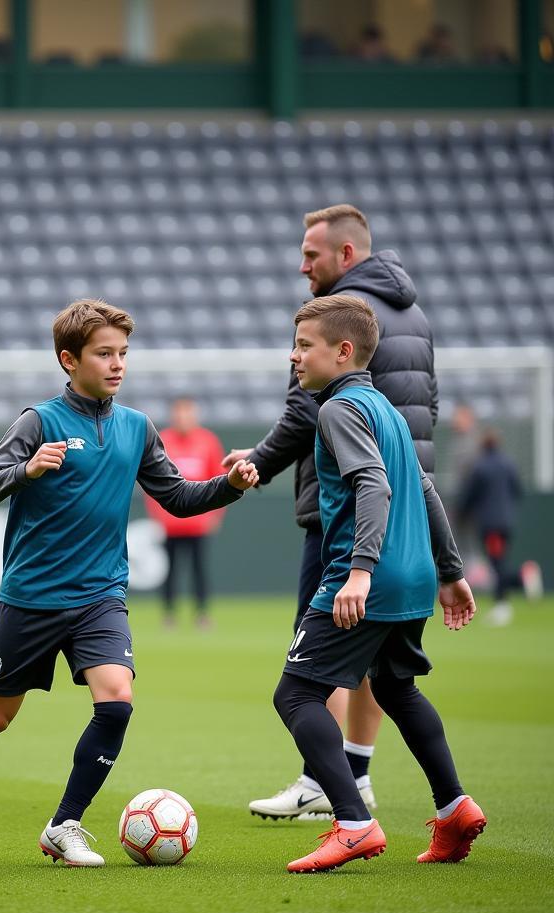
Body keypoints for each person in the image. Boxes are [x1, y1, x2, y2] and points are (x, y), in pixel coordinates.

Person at [0, 299, 259, 866]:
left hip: (101, 595)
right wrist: (26, 470)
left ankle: (64, 824)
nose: (118, 363)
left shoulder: (136, 427)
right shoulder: (40, 421)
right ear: (68, 359)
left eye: (123, 353)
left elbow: (176, 497)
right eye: (105, 353)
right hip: (31, 597)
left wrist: (228, 485)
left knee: (117, 698)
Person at [226, 204, 439, 821]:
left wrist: (259, 464)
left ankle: (332, 792)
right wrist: (446, 560)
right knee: (385, 668)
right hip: (409, 506)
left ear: (345, 255)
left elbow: (308, 414)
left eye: (311, 255)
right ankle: (360, 772)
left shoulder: (334, 320)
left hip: (346, 513)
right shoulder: (413, 313)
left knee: (307, 672)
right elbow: (421, 411)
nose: (303, 266)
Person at [274, 295, 484, 873]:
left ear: (343, 352)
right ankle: (455, 807)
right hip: (413, 577)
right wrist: (451, 572)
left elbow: (374, 486)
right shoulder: (387, 409)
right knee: (396, 690)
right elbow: (426, 490)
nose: (293, 356)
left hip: (366, 578)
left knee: (295, 694)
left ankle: (352, 823)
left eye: (304, 345)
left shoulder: (338, 410)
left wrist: (359, 573)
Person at [144, 398, 226, 628]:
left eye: (187, 413)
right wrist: (157, 515)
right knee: (169, 571)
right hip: (171, 522)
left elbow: (219, 479)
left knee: (199, 569)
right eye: (179, 413)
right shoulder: (164, 440)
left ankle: (202, 613)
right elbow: (150, 483)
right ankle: (169, 614)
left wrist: (215, 515)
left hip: (198, 522)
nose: (183, 418)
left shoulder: (207, 441)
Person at [457, 430, 543, 626]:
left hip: (490, 525)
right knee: (498, 562)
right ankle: (503, 603)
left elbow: (469, 496)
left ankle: (520, 581)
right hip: (506, 522)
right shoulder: (509, 464)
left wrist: (460, 513)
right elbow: (518, 490)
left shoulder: (480, 467)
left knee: (497, 565)